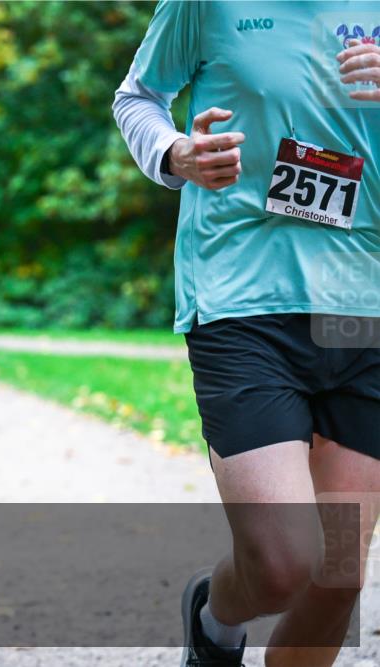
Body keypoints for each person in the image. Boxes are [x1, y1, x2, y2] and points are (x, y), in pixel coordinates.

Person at [114, 4, 379, 667]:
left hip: (365, 307)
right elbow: (139, 96)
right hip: (241, 296)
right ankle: (214, 618)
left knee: (339, 571)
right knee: (285, 561)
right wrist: (176, 152)